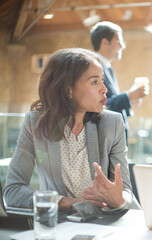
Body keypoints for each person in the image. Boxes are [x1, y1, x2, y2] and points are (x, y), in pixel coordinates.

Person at [3, 48, 134, 210]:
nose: (104, 89)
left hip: (105, 224)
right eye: (94, 82)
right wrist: (67, 203)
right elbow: (12, 190)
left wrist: (119, 199)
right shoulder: (34, 123)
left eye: (102, 80)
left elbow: (126, 191)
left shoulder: (112, 123)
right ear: (68, 90)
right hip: (59, 227)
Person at [90, 21, 148, 142]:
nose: (122, 46)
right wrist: (128, 96)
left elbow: (111, 104)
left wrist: (129, 104)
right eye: (119, 41)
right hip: (104, 138)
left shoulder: (108, 68)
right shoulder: (92, 68)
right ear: (105, 42)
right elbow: (97, 106)